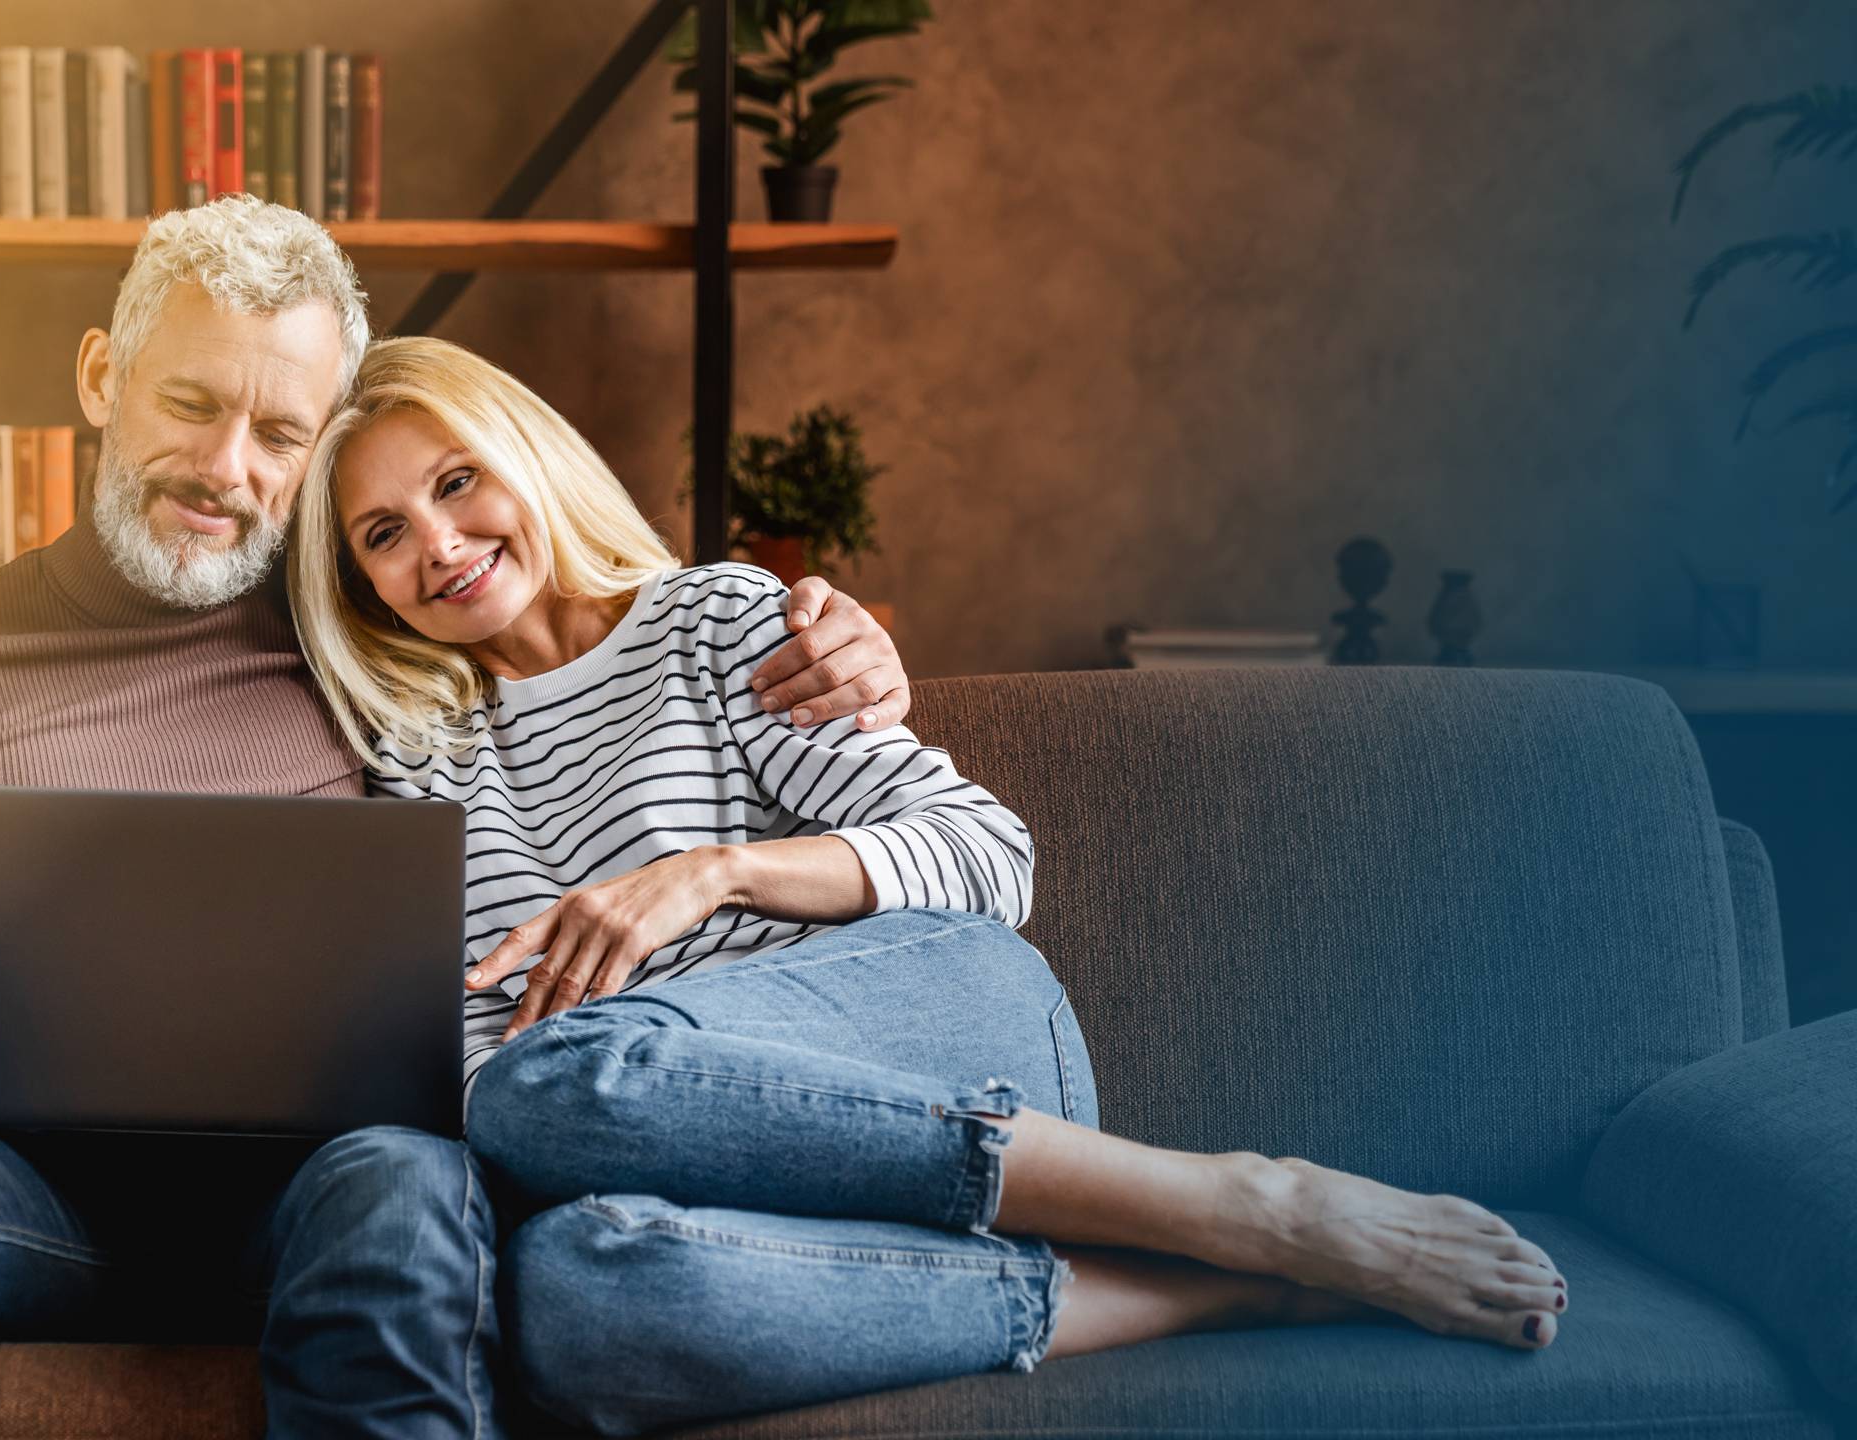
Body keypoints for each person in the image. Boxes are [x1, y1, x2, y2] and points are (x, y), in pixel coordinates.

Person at [0, 196, 915, 1440]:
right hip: (18, 1201)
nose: (228, 469)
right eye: (188, 403)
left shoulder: (382, 636)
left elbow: (598, 635)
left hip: (323, 1198)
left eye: (281, 431)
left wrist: (834, 646)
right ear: (102, 376)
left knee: (404, 1174)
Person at [286, 335, 1574, 1436]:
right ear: (358, 584)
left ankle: (1239, 1198)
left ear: (530, 456)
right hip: (697, 1166)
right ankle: (1230, 1283)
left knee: (564, 1079)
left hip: (933, 1043)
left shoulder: (719, 623)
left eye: (457, 481)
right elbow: (474, 1060)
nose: (440, 544)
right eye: (384, 534)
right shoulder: (424, 760)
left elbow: (980, 852)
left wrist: (709, 874)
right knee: (576, 1295)